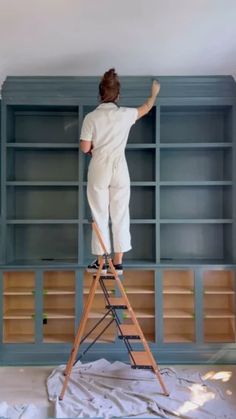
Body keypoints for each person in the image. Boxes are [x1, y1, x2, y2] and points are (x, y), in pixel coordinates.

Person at [80, 68, 160, 274]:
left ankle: (101, 262)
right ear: (118, 95)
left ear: (100, 95)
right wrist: (154, 94)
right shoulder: (125, 114)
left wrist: (93, 148)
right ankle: (118, 262)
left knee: (99, 213)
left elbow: (85, 148)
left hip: (99, 166)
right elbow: (146, 107)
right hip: (120, 167)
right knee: (121, 213)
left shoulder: (91, 117)